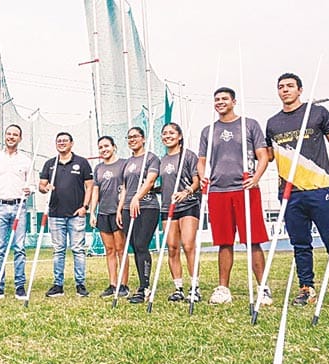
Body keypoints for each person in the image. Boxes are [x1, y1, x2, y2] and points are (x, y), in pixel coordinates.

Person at [265, 72, 329, 307]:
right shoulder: (272, 123)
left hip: (320, 189)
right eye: (281, 87)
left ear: (300, 90)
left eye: (289, 86)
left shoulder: (317, 113)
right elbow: (266, 156)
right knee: (300, 243)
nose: (285, 90)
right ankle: (306, 287)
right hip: (289, 192)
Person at [198, 87, 272, 305]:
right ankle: (223, 288)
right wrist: (203, 177)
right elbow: (202, 160)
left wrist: (256, 177)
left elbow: (263, 156)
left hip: (245, 189)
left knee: (253, 241)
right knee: (224, 242)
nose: (220, 102)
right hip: (218, 191)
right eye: (217, 99)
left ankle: (263, 287)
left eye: (224, 99)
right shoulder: (208, 131)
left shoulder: (249, 124)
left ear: (234, 101)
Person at [0, 124, 33, 300]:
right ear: (5, 136)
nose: (11, 137)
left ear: (20, 138)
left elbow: (31, 184)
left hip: (19, 206)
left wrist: (29, 189)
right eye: (9, 134)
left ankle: (19, 286)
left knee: (19, 248)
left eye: (15, 135)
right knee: (0, 249)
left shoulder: (26, 161)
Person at [39, 132, 94, 298]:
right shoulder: (50, 164)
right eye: (59, 141)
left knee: (78, 250)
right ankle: (58, 285)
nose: (61, 143)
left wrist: (85, 207)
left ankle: (80, 284)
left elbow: (90, 186)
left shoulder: (81, 163)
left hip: (76, 213)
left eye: (65, 141)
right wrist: (45, 188)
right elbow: (41, 185)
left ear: (71, 143)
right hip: (56, 214)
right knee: (58, 250)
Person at [116, 127, 160, 304]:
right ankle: (142, 284)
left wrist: (137, 197)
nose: (132, 139)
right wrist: (120, 208)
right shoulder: (127, 162)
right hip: (128, 208)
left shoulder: (151, 158)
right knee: (134, 246)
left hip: (147, 207)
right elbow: (124, 187)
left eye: (135, 136)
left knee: (142, 244)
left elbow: (150, 181)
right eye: (129, 137)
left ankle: (145, 287)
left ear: (143, 138)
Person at [158, 123, 202, 302]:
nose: (167, 136)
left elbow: (197, 181)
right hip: (168, 207)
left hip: (188, 204)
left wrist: (186, 192)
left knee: (188, 244)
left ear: (180, 136)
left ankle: (195, 287)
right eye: (164, 133)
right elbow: (162, 184)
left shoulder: (188, 156)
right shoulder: (161, 160)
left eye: (171, 133)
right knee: (172, 247)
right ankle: (178, 288)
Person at [89, 136, 130, 298]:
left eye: (106, 146)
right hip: (103, 213)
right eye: (100, 147)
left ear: (114, 147)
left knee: (121, 249)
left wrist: (120, 209)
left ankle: (123, 285)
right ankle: (113, 284)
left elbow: (126, 188)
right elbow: (95, 191)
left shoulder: (123, 164)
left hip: (117, 213)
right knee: (110, 250)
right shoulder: (98, 168)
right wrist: (93, 212)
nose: (103, 149)